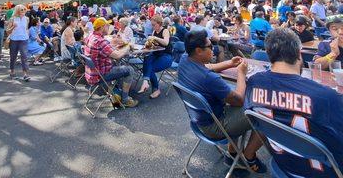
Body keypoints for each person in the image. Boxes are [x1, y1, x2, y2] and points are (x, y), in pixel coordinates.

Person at [245, 28, 343, 177]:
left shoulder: (254, 82)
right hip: (325, 172)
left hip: (283, 163)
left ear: (268, 53)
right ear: (299, 52)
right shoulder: (326, 97)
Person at [178, 30, 266, 173]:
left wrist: (230, 63)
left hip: (198, 120)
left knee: (232, 97)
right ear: (199, 50)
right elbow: (239, 100)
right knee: (264, 112)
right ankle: (249, 156)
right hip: (214, 127)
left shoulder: (185, 59)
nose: (213, 48)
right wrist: (241, 74)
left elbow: (208, 67)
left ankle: (232, 154)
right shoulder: (209, 78)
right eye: (210, 46)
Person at [83, 17, 138, 108]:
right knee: (129, 69)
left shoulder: (90, 37)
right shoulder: (100, 41)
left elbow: (101, 51)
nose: (109, 27)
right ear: (102, 27)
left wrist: (113, 46)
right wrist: (128, 46)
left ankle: (115, 93)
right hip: (99, 75)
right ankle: (125, 100)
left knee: (118, 65)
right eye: (107, 25)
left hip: (91, 73)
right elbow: (117, 55)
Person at [138, 15, 173, 99]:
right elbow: (154, 45)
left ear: (159, 23)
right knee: (147, 57)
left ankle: (155, 88)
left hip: (166, 56)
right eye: (152, 25)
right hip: (157, 54)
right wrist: (148, 44)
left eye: (154, 25)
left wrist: (155, 38)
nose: (152, 26)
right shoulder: (154, 32)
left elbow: (165, 43)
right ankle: (146, 81)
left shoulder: (165, 31)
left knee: (150, 68)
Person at [6, 4, 30, 81]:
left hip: (24, 39)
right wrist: (13, 27)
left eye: (24, 9)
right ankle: (12, 72)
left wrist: (27, 34)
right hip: (14, 39)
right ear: (17, 10)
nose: (23, 11)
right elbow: (7, 31)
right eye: (21, 9)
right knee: (13, 56)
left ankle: (25, 74)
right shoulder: (12, 19)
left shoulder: (27, 19)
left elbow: (26, 28)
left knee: (24, 56)